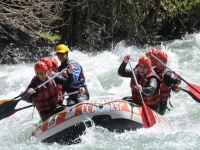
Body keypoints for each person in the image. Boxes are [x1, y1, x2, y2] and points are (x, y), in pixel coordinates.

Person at [153, 51, 181, 115]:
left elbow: (176, 82)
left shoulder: (167, 75)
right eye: (160, 61)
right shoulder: (150, 70)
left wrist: (178, 78)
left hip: (161, 105)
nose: (161, 64)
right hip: (150, 102)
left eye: (164, 62)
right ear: (156, 61)